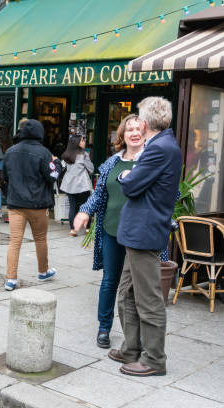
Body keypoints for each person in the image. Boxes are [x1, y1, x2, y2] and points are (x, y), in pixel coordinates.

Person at [103, 97, 181, 377]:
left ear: (145, 123)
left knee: (147, 300)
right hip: (138, 232)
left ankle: (154, 359)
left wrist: (126, 177)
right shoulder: (162, 145)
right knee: (127, 293)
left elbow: (132, 185)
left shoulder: (159, 148)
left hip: (144, 232)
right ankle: (131, 349)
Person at [73, 114, 145, 349]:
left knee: (138, 286)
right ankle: (104, 328)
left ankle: (135, 335)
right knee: (109, 281)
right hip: (111, 229)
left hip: (139, 235)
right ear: (122, 135)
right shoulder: (112, 163)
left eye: (139, 129)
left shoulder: (153, 161)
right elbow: (98, 195)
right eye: (129, 129)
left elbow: (169, 195)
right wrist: (84, 211)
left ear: (146, 133)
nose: (134, 133)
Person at [3, 119, 61, 291]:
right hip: (38, 204)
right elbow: (53, 176)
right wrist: (57, 162)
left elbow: (5, 176)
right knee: (40, 239)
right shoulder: (44, 153)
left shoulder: (10, 151)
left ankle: (10, 279)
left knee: (14, 242)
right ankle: (43, 271)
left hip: (15, 204)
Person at [60, 135, 94, 236]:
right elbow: (91, 169)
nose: (84, 142)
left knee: (72, 207)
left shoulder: (67, 155)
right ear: (77, 142)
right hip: (82, 185)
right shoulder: (84, 155)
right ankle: (87, 228)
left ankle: (73, 230)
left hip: (69, 185)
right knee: (86, 206)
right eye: (82, 140)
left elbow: (61, 166)